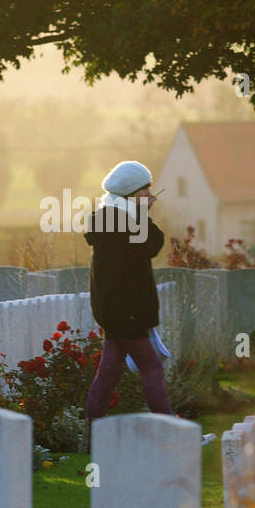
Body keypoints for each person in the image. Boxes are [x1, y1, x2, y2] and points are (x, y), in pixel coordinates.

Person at [84, 160, 174, 425]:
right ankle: (173, 431)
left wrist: (139, 212)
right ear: (128, 193)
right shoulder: (120, 223)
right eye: (143, 191)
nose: (149, 195)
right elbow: (152, 243)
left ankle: (92, 433)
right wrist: (143, 214)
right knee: (152, 369)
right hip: (126, 313)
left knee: (108, 376)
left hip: (117, 312)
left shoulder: (114, 218)